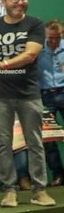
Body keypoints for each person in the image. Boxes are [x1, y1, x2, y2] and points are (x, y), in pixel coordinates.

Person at [0, 0, 55, 207]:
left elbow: (30, 55)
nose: (20, 2)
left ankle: (39, 190)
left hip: (28, 93)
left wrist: (3, 64)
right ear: (3, 1)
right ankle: (9, 190)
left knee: (35, 143)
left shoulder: (34, 24)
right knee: (3, 144)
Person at [39, 19, 64, 186]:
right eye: (50, 38)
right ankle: (58, 174)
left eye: (58, 37)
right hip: (45, 94)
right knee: (48, 138)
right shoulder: (38, 49)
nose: (54, 41)